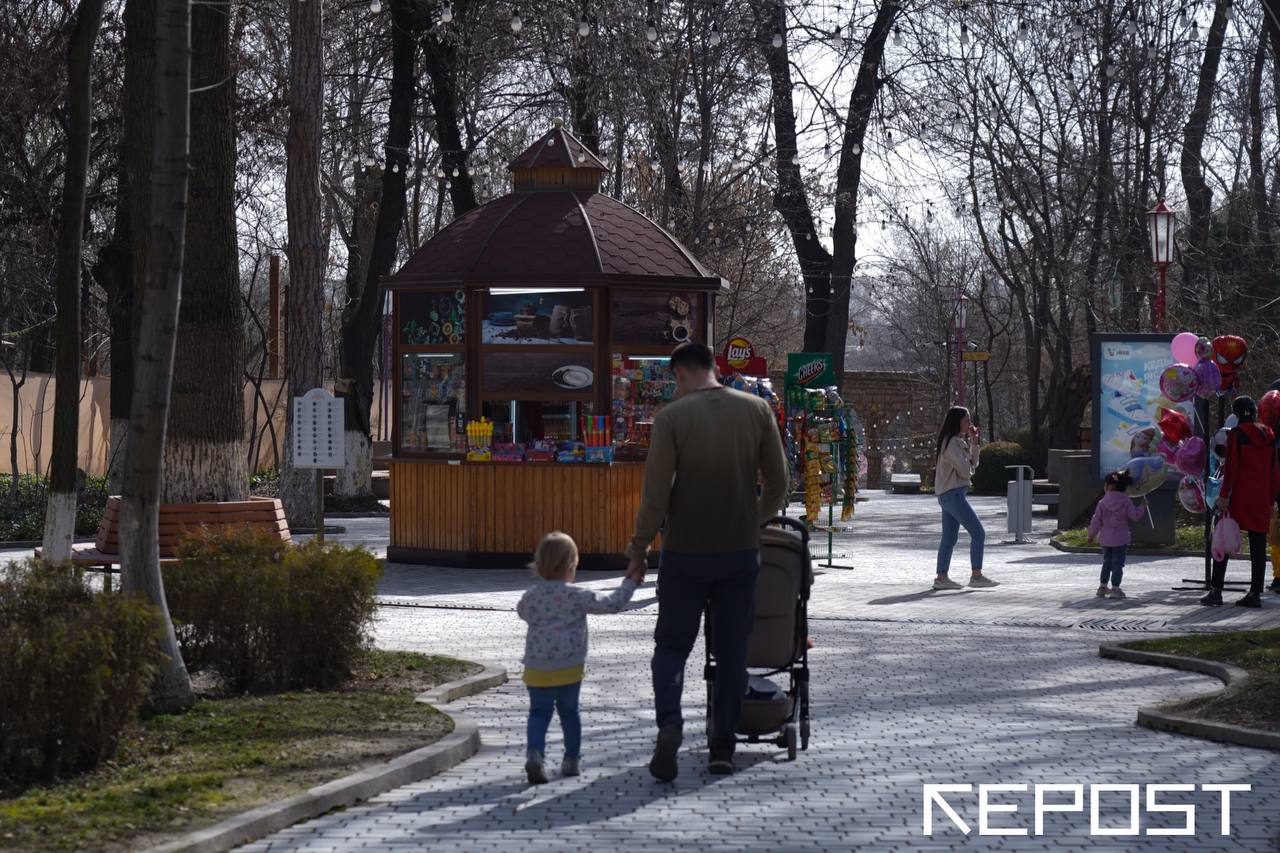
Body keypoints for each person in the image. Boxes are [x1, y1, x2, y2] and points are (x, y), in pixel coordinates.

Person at [624, 341, 788, 781]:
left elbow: (656, 494)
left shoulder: (672, 418)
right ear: (716, 368)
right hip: (739, 551)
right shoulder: (756, 410)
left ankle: (671, 725)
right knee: (733, 652)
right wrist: (755, 522)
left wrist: (638, 550)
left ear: (679, 375)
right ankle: (722, 748)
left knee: (672, 647)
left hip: (685, 553)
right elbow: (779, 482)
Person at [518, 531, 637, 784]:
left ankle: (535, 754)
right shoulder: (577, 596)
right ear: (572, 565)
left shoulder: (531, 596)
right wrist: (629, 583)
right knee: (570, 713)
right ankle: (571, 759)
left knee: (538, 713)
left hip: (537, 668)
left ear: (538, 565)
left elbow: (523, 612)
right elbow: (611, 604)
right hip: (569, 668)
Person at [1202, 396, 1280, 608]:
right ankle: (1255, 594)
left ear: (1236, 415)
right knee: (1258, 545)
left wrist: (1224, 495)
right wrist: (1272, 499)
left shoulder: (1237, 434)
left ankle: (1216, 591)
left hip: (1239, 497)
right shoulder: (1269, 434)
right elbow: (1275, 471)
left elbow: (1232, 467)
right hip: (1261, 498)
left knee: (1222, 538)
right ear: (1255, 411)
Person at [932, 406, 999, 591]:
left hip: (950, 494)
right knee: (978, 533)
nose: (969, 424)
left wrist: (974, 441)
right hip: (953, 494)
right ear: (957, 421)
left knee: (949, 539)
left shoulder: (956, 442)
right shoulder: (952, 443)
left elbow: (973, 464)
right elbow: (966, 470)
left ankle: (941, 577)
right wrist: (968, 465)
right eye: (966, 420)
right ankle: (976, 575)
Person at [1087, 469, 1147, 599]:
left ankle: (1102, 587)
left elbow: (1096, 520)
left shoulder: (1102, 503)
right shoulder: (1126, 501)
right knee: (1117, 564)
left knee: (1107, 563)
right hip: (1121, 538)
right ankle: (1115, 588)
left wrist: (1091, 535)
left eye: (1105, 484)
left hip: (1105, 539)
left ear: (1110, 486)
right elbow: (1135, 516)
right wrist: (1142, 506)